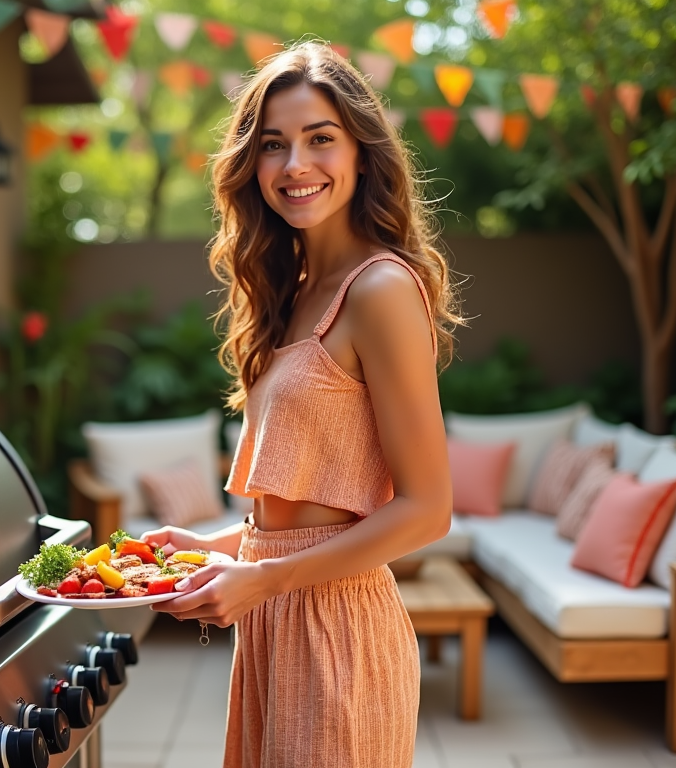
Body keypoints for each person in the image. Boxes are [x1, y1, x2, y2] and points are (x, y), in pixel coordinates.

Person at [143, 40, 462, 768]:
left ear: (361, 152)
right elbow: (305, 514)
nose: (295, 166)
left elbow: (427, 507)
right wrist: (215, 550)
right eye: (273, 145)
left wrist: (263, 580)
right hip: (275, 620)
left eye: (320, 139)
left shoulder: (379, 289)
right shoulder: (288, 294)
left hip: (337, 632)